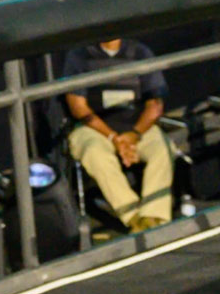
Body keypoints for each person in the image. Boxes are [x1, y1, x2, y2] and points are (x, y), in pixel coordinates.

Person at [60, 35, 174, 231]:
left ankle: (154, 217)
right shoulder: (79, 56)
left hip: (136, 128)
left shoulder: (140, 52)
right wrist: (113, 137)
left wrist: (134, 134)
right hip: (95, 129)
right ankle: (134, 217)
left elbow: (155, 105)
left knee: (162, 149)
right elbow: (78, 107)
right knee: (95, 154)